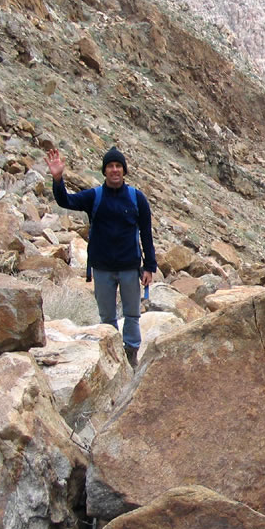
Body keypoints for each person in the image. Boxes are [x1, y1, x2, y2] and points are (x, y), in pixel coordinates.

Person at [45, 146, 156, 367]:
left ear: (124, 171)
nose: (114, 170)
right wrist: (58, 179)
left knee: (132, 314)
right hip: (102, 268)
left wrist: (149, 266)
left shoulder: (137, 198)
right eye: (110, 166)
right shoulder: (94, 196)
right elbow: (65, 201)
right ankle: (114, 354)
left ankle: (131, 355)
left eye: (118, 166)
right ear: (104, 171)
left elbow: (146, 232)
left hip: (129, 267)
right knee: (106, 318)